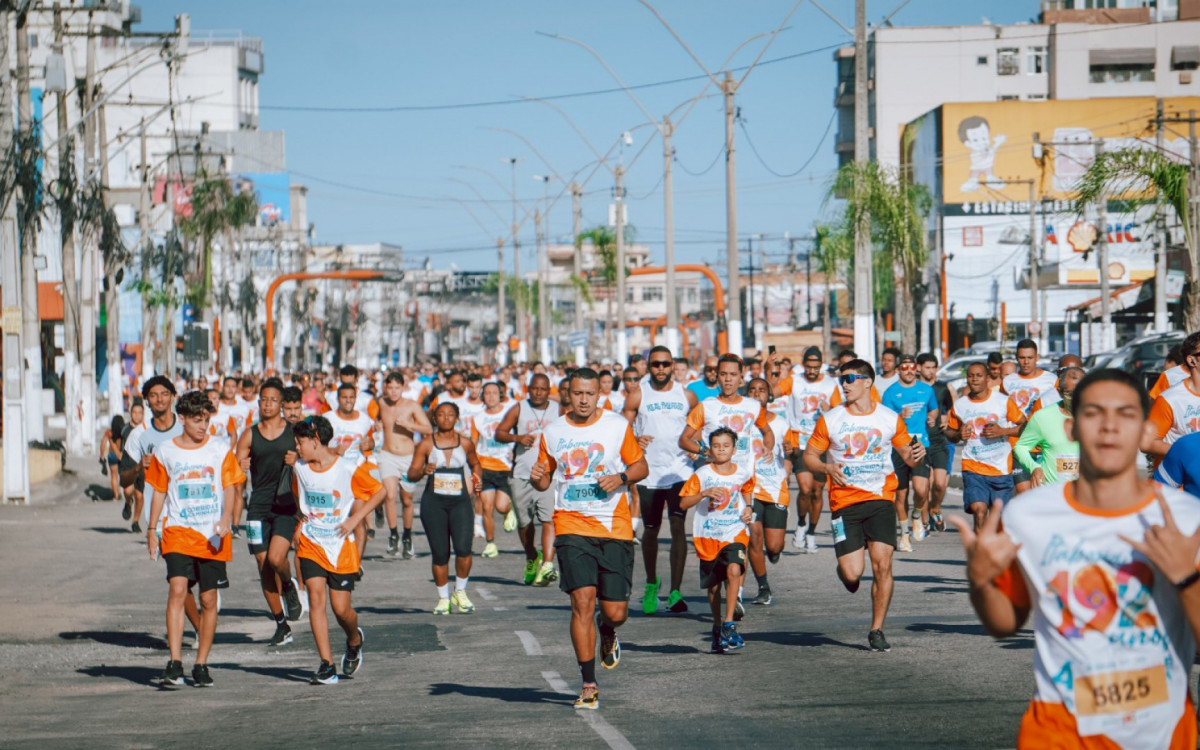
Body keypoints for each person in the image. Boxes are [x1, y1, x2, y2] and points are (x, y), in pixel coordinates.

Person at [955, 368, 1200, 747]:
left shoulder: (1185, 518)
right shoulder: (1028, 515)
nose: (1109, 427)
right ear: (1071, 428)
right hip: (1058, 730)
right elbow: (1004, 623)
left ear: (1144, 430)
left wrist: (1186, 579)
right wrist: (981, 580)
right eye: (1093, 413)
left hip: (1160, 733)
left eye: (1125, 414)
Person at [531, 368, 648, 710]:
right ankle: (588, 684)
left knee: (616, 612)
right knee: (582, 602)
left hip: (613, 527)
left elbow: (641, 467)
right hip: (571, 526)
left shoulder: (616, 426)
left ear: (599, 395)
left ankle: (607, 628)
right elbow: (544, 480)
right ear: (568, 394)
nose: (583, 400)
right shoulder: (553, 431)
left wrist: (622, 478)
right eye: (577, 393)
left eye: (590, 394)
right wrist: (538, 478)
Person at [803, 359, 924, 652]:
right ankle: (846, 571)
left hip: (881, 500)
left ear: (867, 381)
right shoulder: (831, 419)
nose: (844, 384)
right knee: (852, 574)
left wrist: (917, 454)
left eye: (850, 378)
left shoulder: (888, 418)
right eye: (841, 379)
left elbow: (908, 457)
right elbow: (809, 456)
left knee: (883, 565)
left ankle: (877, 629)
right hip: (844, 503)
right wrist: (826, 468)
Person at [145, 390, 245, 688]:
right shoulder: (166, 451)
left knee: (208, 599)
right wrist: (152, 529)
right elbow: (159, 490)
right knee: (178, 589)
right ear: (183, 419)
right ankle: (175, 662)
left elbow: (230, 485)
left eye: (206, 420)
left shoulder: (219, 448)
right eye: (197, 420)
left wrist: (227, 518)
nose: (203, 426)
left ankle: (201, 663)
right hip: (177, 531)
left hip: (212, 534)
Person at [291, 415, 385, 685]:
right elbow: (299, 494)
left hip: (341, 546)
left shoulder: (347, 469)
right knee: (316, 599)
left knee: (341, 609)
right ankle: (326, 664)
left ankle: (354, 640)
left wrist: (355, 519)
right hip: (312, 543)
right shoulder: (299, 468)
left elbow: (379, 492)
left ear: (315, 440)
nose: (297, 448)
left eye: (300, 442)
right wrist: (301, 518)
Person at [623, 345, 698, 615]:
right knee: (651, 530)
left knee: (678, 526)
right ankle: (652, 582)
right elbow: (620, 429)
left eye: (666, 364)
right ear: (648, 366)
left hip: (679, 470)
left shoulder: (686, 395)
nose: (661, 368)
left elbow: (700, 424)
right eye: (656, 364)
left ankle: (675, 591)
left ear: (672, 365)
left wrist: (696, 446)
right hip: (649, 472)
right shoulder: (638, 394)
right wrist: (634, 439)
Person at [234, 377, 305, 648]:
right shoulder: (249, 434)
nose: (267, 404)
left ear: (281, 404)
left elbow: (316, 459)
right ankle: (281, 625)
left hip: (285, 506)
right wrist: (239, 466)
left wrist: (299, 459)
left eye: (273, 400)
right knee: (263, 564)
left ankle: (287, 585)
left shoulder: (294, 432)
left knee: (276, 558)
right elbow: (234, 471)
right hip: (257, 507)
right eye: (263, 399)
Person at [679, 427, 754, 654]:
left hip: (734, 531)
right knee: (713, 589)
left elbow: (747, 488)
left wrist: (749, 507)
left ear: (734, 449)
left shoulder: (742, 472)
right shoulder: (703, 474)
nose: (721, 450)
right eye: (716, 446)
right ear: (710, 449)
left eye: (726, 446)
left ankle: (729, 625)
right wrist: (704, 493)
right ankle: (718, 626)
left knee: (734, 569)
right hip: (708, 535)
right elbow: (683, 503)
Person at [410, 402, 483, 615]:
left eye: (451, 414)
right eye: (441, 415)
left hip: (460, 502)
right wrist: (423, 470)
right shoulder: (426, 444)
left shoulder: (465, 443)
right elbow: (411, 474)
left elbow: (476, 463)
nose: (446, 418)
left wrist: (477, 479)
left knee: (464, 548)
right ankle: (443, 598)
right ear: (435, 419)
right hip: (434, 503)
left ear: (457, 418)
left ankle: (460, 591)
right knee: (440, 553)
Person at [497, 373, 559, 586]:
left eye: (543, 389)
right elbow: (499, 433)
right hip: (522, 474)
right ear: (528, 389)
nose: (538, 393)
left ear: (549, 390)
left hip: (548, 474)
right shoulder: (518, 408)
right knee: (524, 523)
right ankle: (532, 556)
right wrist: (517, 438)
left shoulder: (559, 409)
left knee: (549, 519)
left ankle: (548, 565)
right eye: (535, 388)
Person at [946, 363, 1023, 530]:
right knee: (979, 511)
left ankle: (994, 546)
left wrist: (1003, 431)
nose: (974, 379)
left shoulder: (1003, 401)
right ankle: (980, 547)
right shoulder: (960, 405)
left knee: (999, 520)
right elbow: (949, 432)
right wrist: (959, 435)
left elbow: (1026, 426)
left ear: (988, 378)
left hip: (1001, 468)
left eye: (979, 375)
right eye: (971, 376)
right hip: (973, 467)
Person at [880, 354, 939, 551]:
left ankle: (917, 515)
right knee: (901, 493)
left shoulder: (927, 389)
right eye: (904, 367)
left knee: (922, 490)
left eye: (912, 367)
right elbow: (884, 421)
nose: (909, 371)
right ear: (898, 370)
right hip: (898, 447)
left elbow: (933, 410)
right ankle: (904, 534)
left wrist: (932, 418)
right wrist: (899, 415)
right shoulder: (890, 393)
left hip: (920, 445)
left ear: (917, 368)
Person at [784, 347, 840, 553]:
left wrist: (830, 409)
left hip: (822, 443)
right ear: (803, 365)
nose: (812, 371)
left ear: (821, 366)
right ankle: (801, 524)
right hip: (800, 442)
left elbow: (840, 411)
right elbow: (774, 391)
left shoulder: (830, 384)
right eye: (809, 367)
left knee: (817, 492)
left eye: (816, 367)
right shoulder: (794, 380)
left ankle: (811, 532)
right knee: (805, 489)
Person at [374, 371, 433, 558]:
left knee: (407, 500)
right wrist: (377, 425)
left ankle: (407, 536)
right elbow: (376, 418)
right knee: (390, 495)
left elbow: (428, 429)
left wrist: (410, 425)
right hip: (387, 455)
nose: (393, 391)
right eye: (390, 387)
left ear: (403, 388)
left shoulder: (412, 406)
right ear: (385, 388)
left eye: (397, 388)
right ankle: (393, 535)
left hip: (408, 458)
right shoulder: (381, 403)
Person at [120, 376, 184, 534]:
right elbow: (123, 480)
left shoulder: (186, 428)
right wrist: (139, 467)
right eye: (154, 395)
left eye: (165, 394)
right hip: (158, 519)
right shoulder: (138, 435)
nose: (160, 399)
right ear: (147, 401)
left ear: (172, 397)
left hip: (189, 512)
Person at [745, 378, 789, 605]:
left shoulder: (780, 423)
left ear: (769, 395)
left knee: (774, 546)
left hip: (775, 489)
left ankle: (773, 552)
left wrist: (792, 452)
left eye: (761, 390)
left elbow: (792, 452)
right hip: (750, 490)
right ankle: (763, 587)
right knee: (754, 536)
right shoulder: (741, 422)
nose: (756, 393)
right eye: (752, 390)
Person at [326, 382, 377, 554]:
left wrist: (370, 444)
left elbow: (371, 441)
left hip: (356, 476)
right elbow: (317, 446)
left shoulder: (364, 419)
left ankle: (357, 564)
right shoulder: (328, 418)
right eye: (344, 397)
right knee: (334, 522)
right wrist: (333, 451)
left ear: (356, 399)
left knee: (358, 520)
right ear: (338, 399)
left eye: (351, 397)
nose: (348, 401)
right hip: (333, 477)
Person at [1002, 339, 1057, 493]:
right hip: (1018, 445)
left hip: (1045, 445)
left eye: (1030, 358)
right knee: (1024, 493)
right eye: (1022, 358)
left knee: (1045, 493)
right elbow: (1002, 411)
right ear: (1016, 357)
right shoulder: (1007, 382)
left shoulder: (1052, 380)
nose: (1026, 362)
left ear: (1037, 357)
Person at [1013, 366, 1083, 486]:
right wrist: (1034, 467)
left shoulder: (1099, 417)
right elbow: (1021, 447)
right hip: (1053, 491)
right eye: (1071, 394)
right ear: (1059, 392)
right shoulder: (1042, 417)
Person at [471, 382, 518, 558]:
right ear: (483, 396)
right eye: (487, 393)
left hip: (505, 466)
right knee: (487, 507)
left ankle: (508, 510)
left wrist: (516, 451)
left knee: (501, 506)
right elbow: (474, 443)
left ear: (500, 395)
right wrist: (473, 464)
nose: (491, 396)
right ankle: (490, 544)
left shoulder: (510, 413)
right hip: (485, 466)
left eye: (494, 393)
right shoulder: (477, 418)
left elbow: (518, 434)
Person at [1143, 332, 1200, 460]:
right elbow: (1146, 443)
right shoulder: (1169, 399)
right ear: (1192, 360)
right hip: (1180, 471)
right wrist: (1185, 454)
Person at [916, 354, 953, 532]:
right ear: (919, 368)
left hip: (938, 440)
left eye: (933, 367)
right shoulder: (914, 388)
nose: (930, 371)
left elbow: (948, 408)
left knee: (940, 483)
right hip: (920, 442)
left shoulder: (942, 388)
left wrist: (946, 421)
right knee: (924, 486)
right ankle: (924, 522)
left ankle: (935, 509)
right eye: (927, 367)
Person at [99, 415, 126, 507]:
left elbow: (103, 444)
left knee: (114, 475)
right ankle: (124, 493)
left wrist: (102, 455)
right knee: (123, 474)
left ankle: (116, 495)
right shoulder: (124, 431)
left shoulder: (109, 432)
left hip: (112, 455)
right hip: (122, 454)